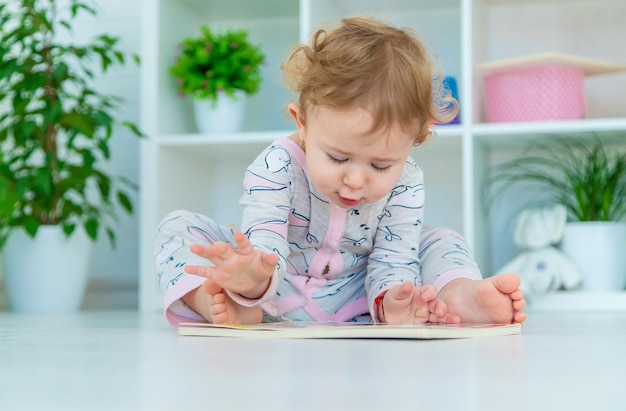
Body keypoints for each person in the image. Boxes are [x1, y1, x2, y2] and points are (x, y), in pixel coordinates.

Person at [154, 17, 527, 327]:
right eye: (337, 158)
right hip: (270, 292)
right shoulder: (276, 165)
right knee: (177, 227)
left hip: (358, 296)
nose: (355, 180)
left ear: (414, 140)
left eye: (381, 165)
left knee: (441, 240)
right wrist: (251, 279)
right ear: (302, 124)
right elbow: (265, 242)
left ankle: (459, 295)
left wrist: (394, 302)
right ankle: (218, 303)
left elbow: (395, 258)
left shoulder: (408, 180)